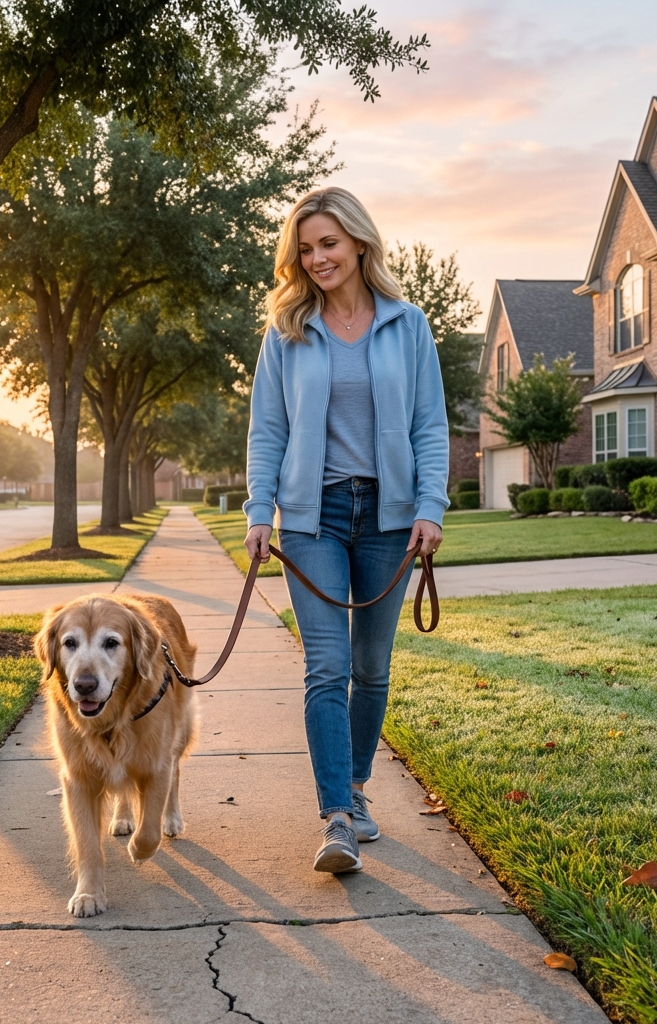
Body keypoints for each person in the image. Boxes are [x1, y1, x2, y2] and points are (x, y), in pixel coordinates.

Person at [243, 187, 449, 874]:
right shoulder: (287, 330)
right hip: (313, 519)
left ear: (359, 242)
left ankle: (357, 789)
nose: (317, 258)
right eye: (304, 249)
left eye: (327, 243)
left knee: (371, 667)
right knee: (326, 666)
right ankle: (336, 815)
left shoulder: (408, 324)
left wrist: (431, 507)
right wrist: (257, 512)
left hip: (389, 516)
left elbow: (429, 426)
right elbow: (268, 430)